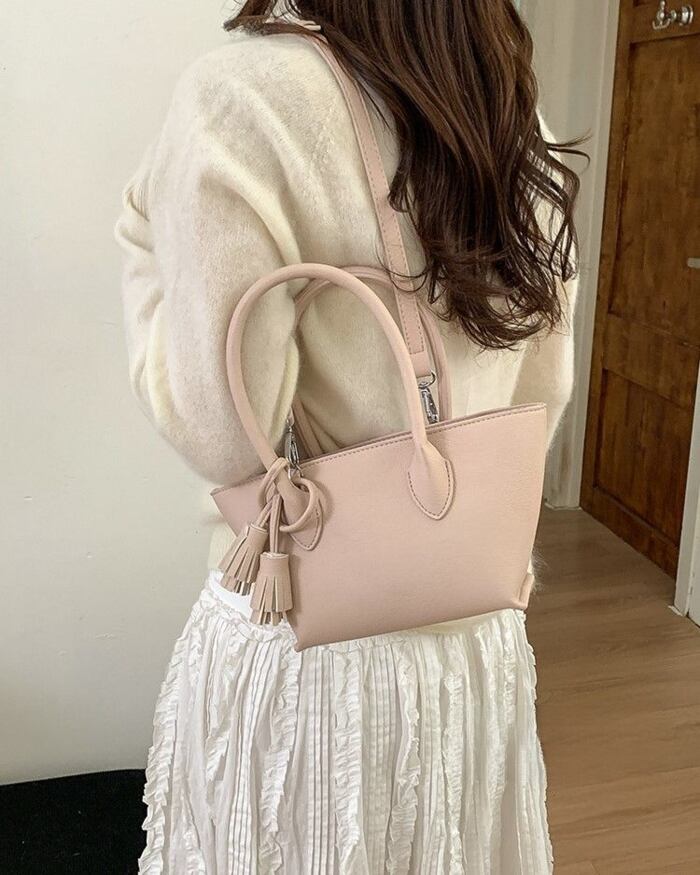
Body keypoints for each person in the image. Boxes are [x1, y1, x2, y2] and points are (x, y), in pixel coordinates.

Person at [114, 2, 580, 871]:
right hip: (475, 640)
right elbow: (542, 386)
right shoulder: (508, 111)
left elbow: (226, 436)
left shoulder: (241, 100)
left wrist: (146, 261)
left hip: (307, 645)